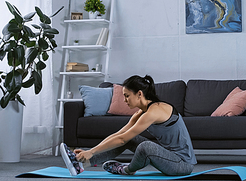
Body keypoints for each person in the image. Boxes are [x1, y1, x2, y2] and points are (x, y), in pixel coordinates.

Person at [60, 75, 197, 176]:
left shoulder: (154, 111)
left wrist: (91, 151)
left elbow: (121, 140)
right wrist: (89, 151)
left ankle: (126, 170)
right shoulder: (141, 113)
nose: (124, 100)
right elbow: (120, 135)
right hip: (167, 157)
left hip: (182, 164)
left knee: (145, 147)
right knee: (131, 138)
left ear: (139, 94)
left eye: (126, 96)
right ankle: (81, 164)